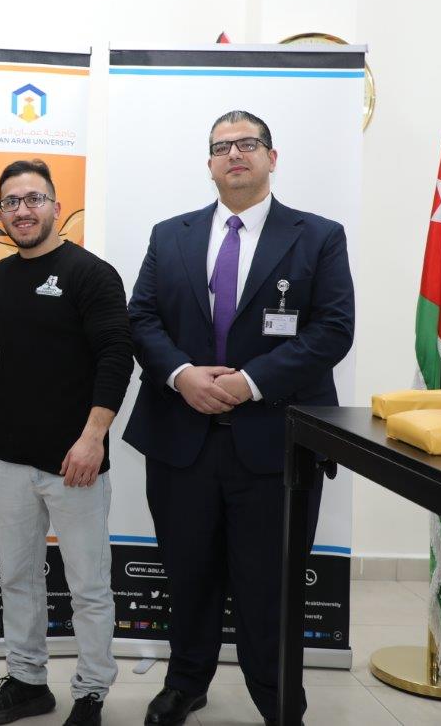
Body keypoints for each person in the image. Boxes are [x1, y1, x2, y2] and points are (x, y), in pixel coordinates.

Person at [125, 111, 354, 725]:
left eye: (247, 143)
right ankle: (185, 682)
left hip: (276, 444)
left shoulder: (318, 236)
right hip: (182, 440)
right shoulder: (169, 235)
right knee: (189, 574)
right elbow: (141, 318)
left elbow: (333, 330)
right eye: (221, 146)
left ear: (271, 158)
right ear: (209, 164)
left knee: (270, 584)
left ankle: (279, 701)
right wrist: (182, 375)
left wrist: (249, 383)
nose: (234, 154)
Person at [0, 160, 132, 726]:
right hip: (9, 459)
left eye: (33, 199)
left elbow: (116, 357)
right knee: (18, 579)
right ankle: (28, 683)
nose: (22, 210)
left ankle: (91, 691)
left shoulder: (91, 274)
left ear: (55, 205)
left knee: (88, 586)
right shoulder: (3, 277)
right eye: (10, 201)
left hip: (75, 460)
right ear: (1, 213)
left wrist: (93, 438)